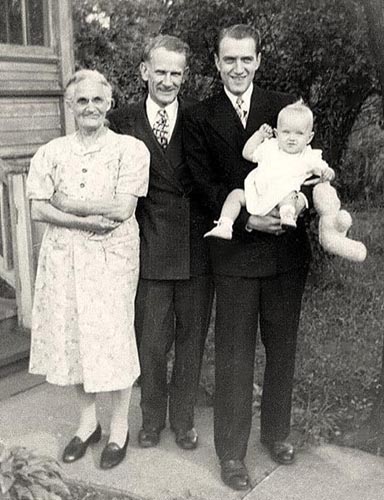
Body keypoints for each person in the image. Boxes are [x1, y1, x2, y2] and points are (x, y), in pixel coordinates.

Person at [184, 24, 316, 490]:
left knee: (282, 350)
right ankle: (232, 455)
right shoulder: (201, 116)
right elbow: (202, 185)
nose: (238, 68)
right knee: (235, 357)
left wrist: (302, 202)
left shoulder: (284, 107)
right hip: (237, 257)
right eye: (229, 60)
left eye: (246, 59)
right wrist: (245, 221)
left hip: (285, 256)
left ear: (258, 60)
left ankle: (275, 434)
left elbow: (314, 167)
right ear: (217, 63)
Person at [26, 69, 150, 470]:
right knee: (76, 334)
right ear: (70, 106)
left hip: (111, 257)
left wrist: (67, 204)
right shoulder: (51, 152)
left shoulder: (130, 150)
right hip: (65, 256)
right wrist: (78, 218)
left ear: (110, 103)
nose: (90, 107)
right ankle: (86, 424)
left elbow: (122, 208)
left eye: (98, 100)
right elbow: (36, 207)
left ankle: (119, 428)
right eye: (82, 101)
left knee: (112, 336)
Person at [108, 35, 213, 451]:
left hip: (195, 247)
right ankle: (151, 418)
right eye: (161, 71)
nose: (168, 80)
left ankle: (184, 421)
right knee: (150, 342)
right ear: (144, 71)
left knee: (191, 340)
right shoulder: (122, 120)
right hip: (148, 245)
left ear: (184, 76)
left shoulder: (200, 117)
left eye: (176, 73)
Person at [204, 101, 335, 239]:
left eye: (299, 134)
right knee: (236, 195)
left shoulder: (308, 156)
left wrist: (327, 173)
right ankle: (225, 224)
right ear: (277, 134)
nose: (291, 138)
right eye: (286, 132)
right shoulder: (270, 147)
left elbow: (323, 170)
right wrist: (259, 135)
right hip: (258, 192)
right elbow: (247, 153)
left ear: (309, 138)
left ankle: (287, 216)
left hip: (282, 198)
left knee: (290, 194)